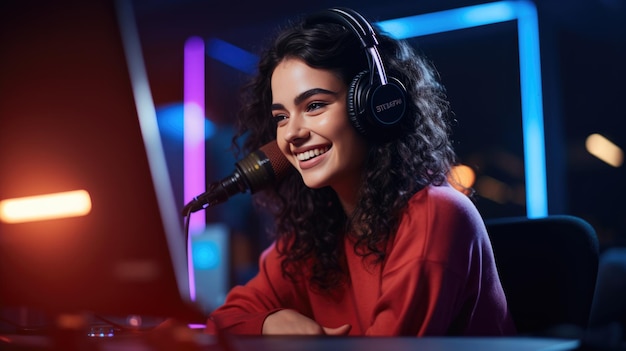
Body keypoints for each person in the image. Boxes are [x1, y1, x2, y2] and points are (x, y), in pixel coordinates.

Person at [205, 7, 516, 336]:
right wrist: (270, 322)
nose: (291, 133)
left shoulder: (436, 216)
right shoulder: (313, 238)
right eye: (281, 116)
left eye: (314, 106)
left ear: (374, 106)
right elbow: (222, 320)